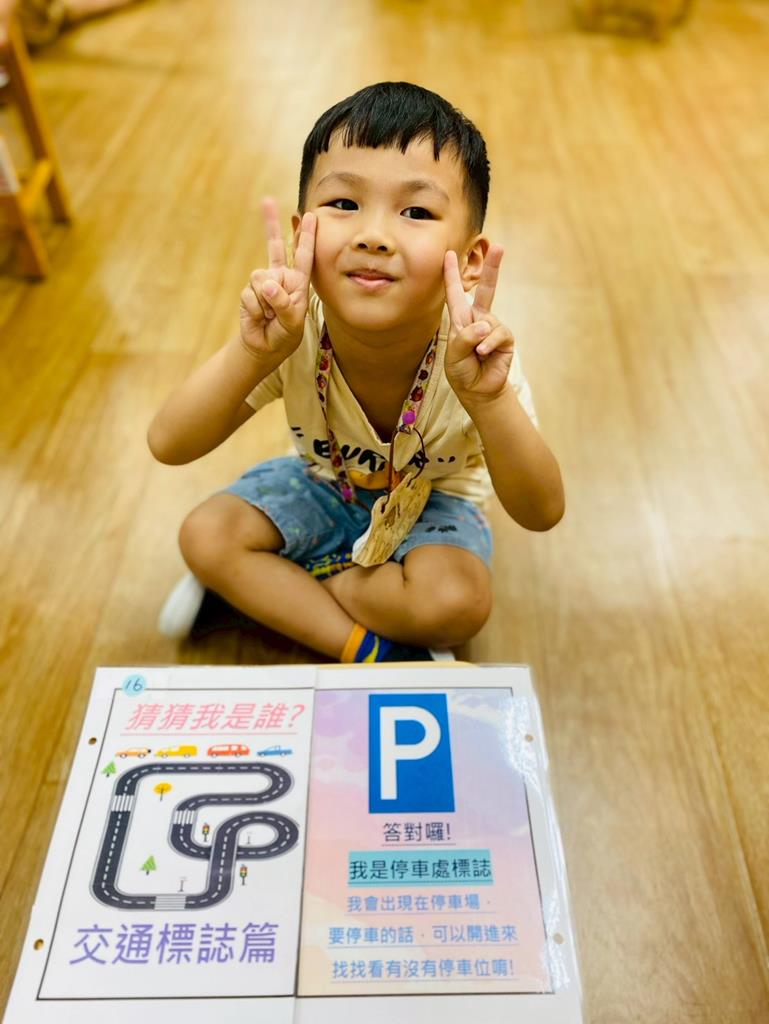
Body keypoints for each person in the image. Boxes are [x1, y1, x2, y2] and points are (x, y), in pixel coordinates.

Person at [148, 81, 564, 663]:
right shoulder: (290, 331)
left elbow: (542, 512)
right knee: (206, 534)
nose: (372, 235)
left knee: (457, 603)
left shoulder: (478, 356)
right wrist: (253, 354)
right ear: (303, 234)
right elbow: (168, 443)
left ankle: (284, 586)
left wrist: (490, 402)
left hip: (433, 502)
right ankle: (367, 647)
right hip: (323, 481)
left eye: (416, 212)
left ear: (471, 260)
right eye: (344, 204)